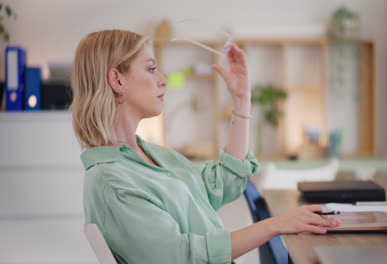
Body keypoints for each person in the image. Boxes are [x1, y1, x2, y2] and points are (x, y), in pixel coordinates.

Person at [71, 29, 339, 264]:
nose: (162, 79)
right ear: (117, 80)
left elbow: (223, 183)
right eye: (151, 68)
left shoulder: (154, 154)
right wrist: (276, 225)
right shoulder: (111, 181)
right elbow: (181, 257)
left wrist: (242, 100)